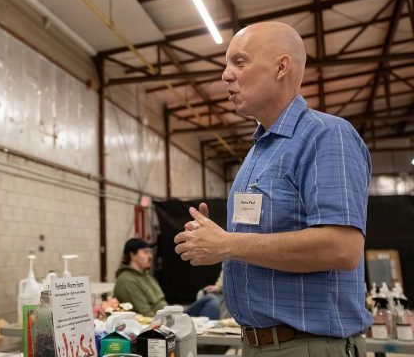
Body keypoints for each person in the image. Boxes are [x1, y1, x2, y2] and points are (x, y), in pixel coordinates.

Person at [173, 22, 371, 356]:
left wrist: (228, 243)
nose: (225, 75)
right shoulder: (259, 152)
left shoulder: (326, 136)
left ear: (281, 67)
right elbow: (255, 243)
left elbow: (343, 247)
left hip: (308, 346)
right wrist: (215, 240)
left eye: (239, 62)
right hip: (257, 344)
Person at [112, 238, 167, 317]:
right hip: (151, 326)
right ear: (132, 255)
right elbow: (145, 315)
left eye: (150, 252)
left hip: (164, 320)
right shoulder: (127, 280)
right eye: (145, 252)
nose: (150, 256)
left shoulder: (147, 276)